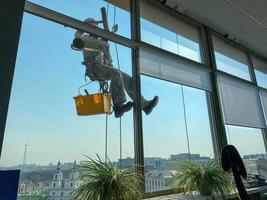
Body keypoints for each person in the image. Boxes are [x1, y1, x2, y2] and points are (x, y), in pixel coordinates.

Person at [71, 18, 158, 118]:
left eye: (95, 28)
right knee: (116, 74)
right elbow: (77, 36)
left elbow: (109, 59)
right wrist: (84, 26)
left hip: (105, 66)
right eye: (92, 28)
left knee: (126, 78)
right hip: (94, 68)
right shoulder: (85, 39)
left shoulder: (103, 42)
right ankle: (118, 106)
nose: (94, 30)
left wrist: (107, 54)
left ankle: (145, 105)